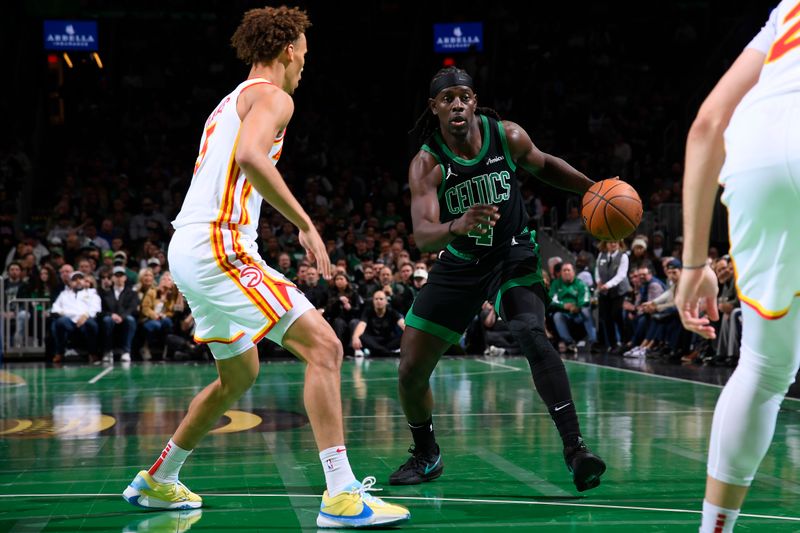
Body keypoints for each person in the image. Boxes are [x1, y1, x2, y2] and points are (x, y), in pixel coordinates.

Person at [121, 7, 408, 528]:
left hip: (187, 245)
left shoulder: (228, 100)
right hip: (217, 244)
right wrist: (305, 223)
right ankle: (342, 495)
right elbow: (254, 156)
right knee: (325, 347)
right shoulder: (275, 96)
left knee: (239, 375)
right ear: (288, 50)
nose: (306, 63)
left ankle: (159, 479)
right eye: (305, 52)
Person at [392, 66, 605, 491]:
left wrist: (592, 189)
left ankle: (576, 449)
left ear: (474, 102)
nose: (457, 104)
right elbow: (422, 235)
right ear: (433, 107)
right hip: (461, 261)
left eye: (464, 96)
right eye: (447, 98)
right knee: (411, 370)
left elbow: (545, 165)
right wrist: (458, 226)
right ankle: (427, 454)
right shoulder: (427, 163)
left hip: (513, 253)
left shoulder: (506, 136)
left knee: (529, 330)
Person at [674, 3, 800, 530]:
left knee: (765, 370)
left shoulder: (788, 9)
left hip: (758, 157)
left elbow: (707, 124)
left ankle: (715, 528)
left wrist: (693, 264)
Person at [549, 262, 597, 352]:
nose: (566, 272)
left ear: (573, 272)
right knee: (557, 316)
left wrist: (577, 306)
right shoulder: (556, 283)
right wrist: (563, 305)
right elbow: (551, 299)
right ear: (561, 272)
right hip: (565, 313)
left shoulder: (580, 283)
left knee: (586, 310)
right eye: (564, 270)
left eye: (568, 270)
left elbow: (585, 298)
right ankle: (569, 342)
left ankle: (593, 342)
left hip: (579, 313)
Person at [99, 265, 139, 363]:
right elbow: (101, 310)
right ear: (112, 278)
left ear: (125, 277)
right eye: (116, 275)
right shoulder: (105, 292)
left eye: (121, 276)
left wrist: (122, 316)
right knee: (107, 320)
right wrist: (111, 315)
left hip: (125, 317)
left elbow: (132, 308)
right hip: (111, 316)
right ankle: (108, 351)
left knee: (130, 320)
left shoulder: (131, 292)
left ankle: (126, 352)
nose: (119, 278)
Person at [351, 290, 404, 357]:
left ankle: (378, 352)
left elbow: (402, 324)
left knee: (405, 336)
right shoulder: (368, 311)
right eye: (376, 299)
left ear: (386, 301)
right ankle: (388, 353)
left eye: (381, 299)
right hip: (373, 341)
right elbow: (362, 324)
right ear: (373, 301)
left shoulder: (392, 312)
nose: (378, 301)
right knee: (361, 336)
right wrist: (355, 337)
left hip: (388, 341)